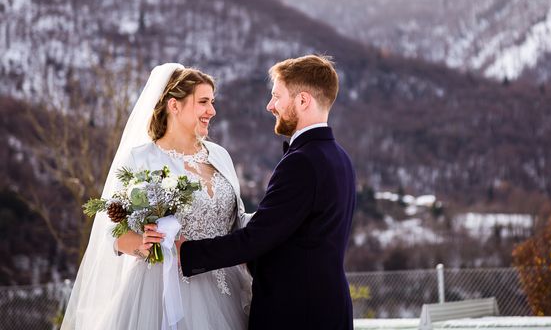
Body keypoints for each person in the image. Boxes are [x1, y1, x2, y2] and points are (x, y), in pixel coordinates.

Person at [62, 63, 252, 330]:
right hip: (161, 289)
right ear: (174, 106)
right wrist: (142, 243)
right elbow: (113, 234)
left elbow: (237, 218)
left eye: (212, 102)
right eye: (203, 102)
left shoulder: (220, 155)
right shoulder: (141, 158)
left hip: (224, 283)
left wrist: (272, 221)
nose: (212, 111)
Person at [178, 54, 357, 330]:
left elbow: (256, 239)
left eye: (277, 96)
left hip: (296, 313)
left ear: (303, 100)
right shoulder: (340, 157)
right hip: (329, 308)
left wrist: (188, 253)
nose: (270, 106)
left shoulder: (302, 162)